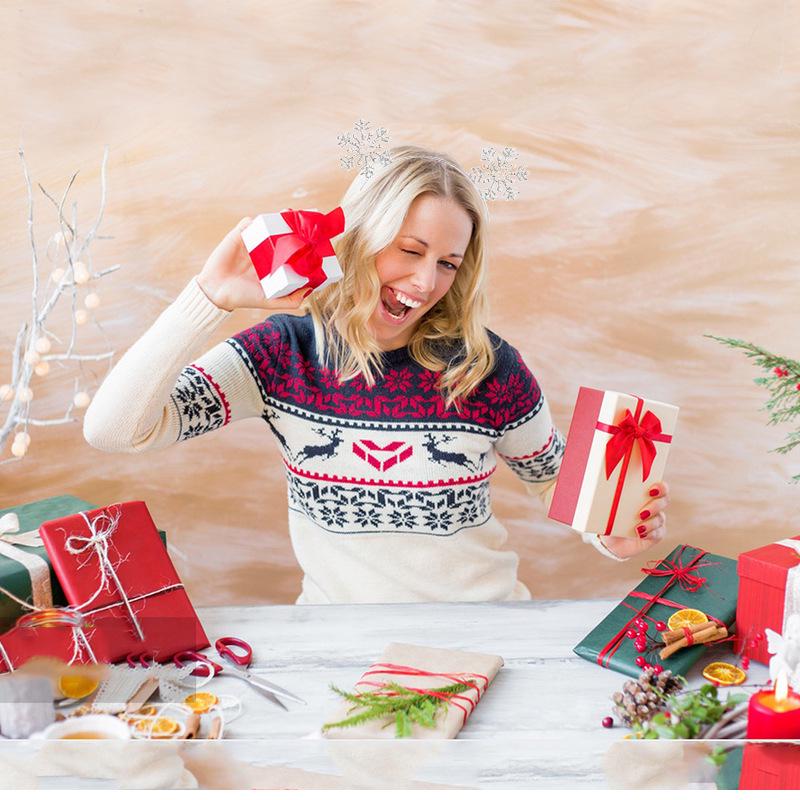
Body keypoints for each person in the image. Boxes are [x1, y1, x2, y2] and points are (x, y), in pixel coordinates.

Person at [83, 145, 670, 603]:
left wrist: (608, 532)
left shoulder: (485, 366)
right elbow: (115, 431)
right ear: (359, 239)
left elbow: (549, 478)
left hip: (482, 635)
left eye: (446, 263)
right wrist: (208, 299)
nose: (424, 283)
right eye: (408, 250)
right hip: (337, 643)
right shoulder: (282, 354)